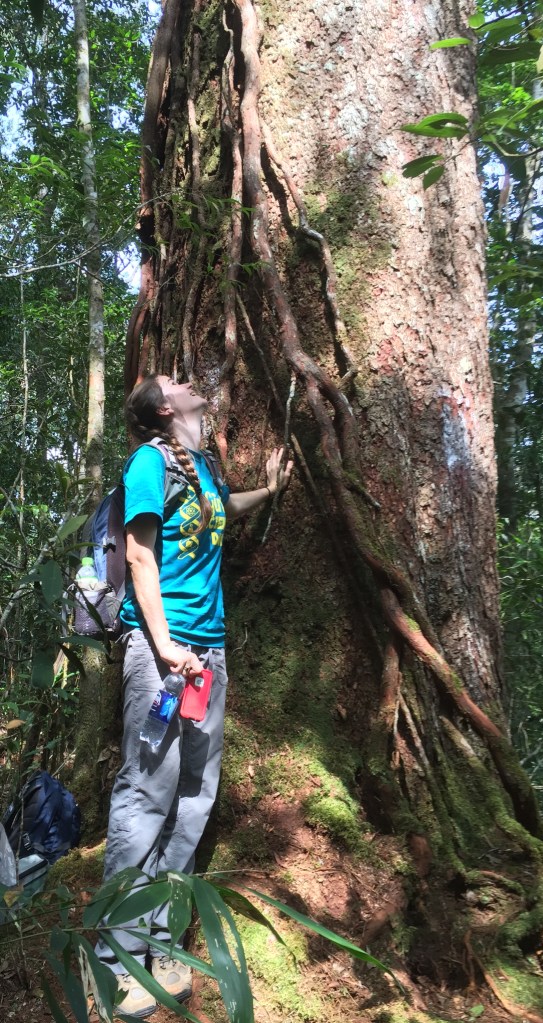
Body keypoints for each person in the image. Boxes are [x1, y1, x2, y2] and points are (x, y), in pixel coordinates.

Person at [95, 373, 292, 1017]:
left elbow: (222, 508)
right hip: (164, 656)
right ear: (163, 408)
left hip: (208, 655)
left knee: (195, 794)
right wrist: (164, 644)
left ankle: (155, 942)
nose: (185, 380)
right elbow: (139, 553)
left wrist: (272, 489)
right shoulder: (149, 461)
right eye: (172, 381)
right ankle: (112, 960)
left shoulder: (199, 466)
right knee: (146, 792)